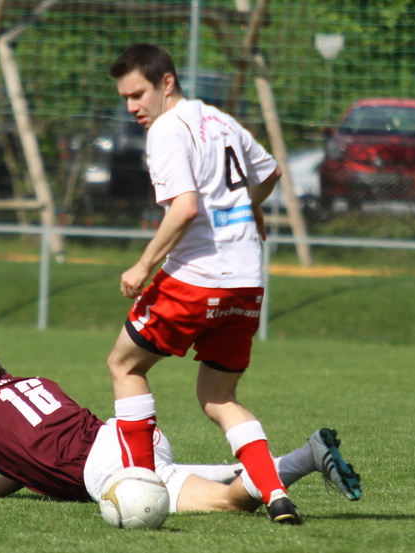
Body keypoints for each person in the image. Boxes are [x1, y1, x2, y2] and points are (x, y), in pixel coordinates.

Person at [102, 43, 360, 525]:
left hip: (195, 279)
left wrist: (142, 266)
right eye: (125, 98)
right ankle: (275, 492)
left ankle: (141, 484)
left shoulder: (166, 130)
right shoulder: (220, 121)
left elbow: (184, 208)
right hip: (246, 281)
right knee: (218, 397)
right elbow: (271, 172)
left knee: (124, 364)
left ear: (166, 83)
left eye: (137, 94)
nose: (132, 106)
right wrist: (251, 207)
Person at [0, 336, 349, 522]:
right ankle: (303, 457)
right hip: (128, 436)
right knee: (218, 477)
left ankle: (306, 459)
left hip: (110, 466)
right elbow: (27, 462)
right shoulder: (34, 382)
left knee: (228, 502)